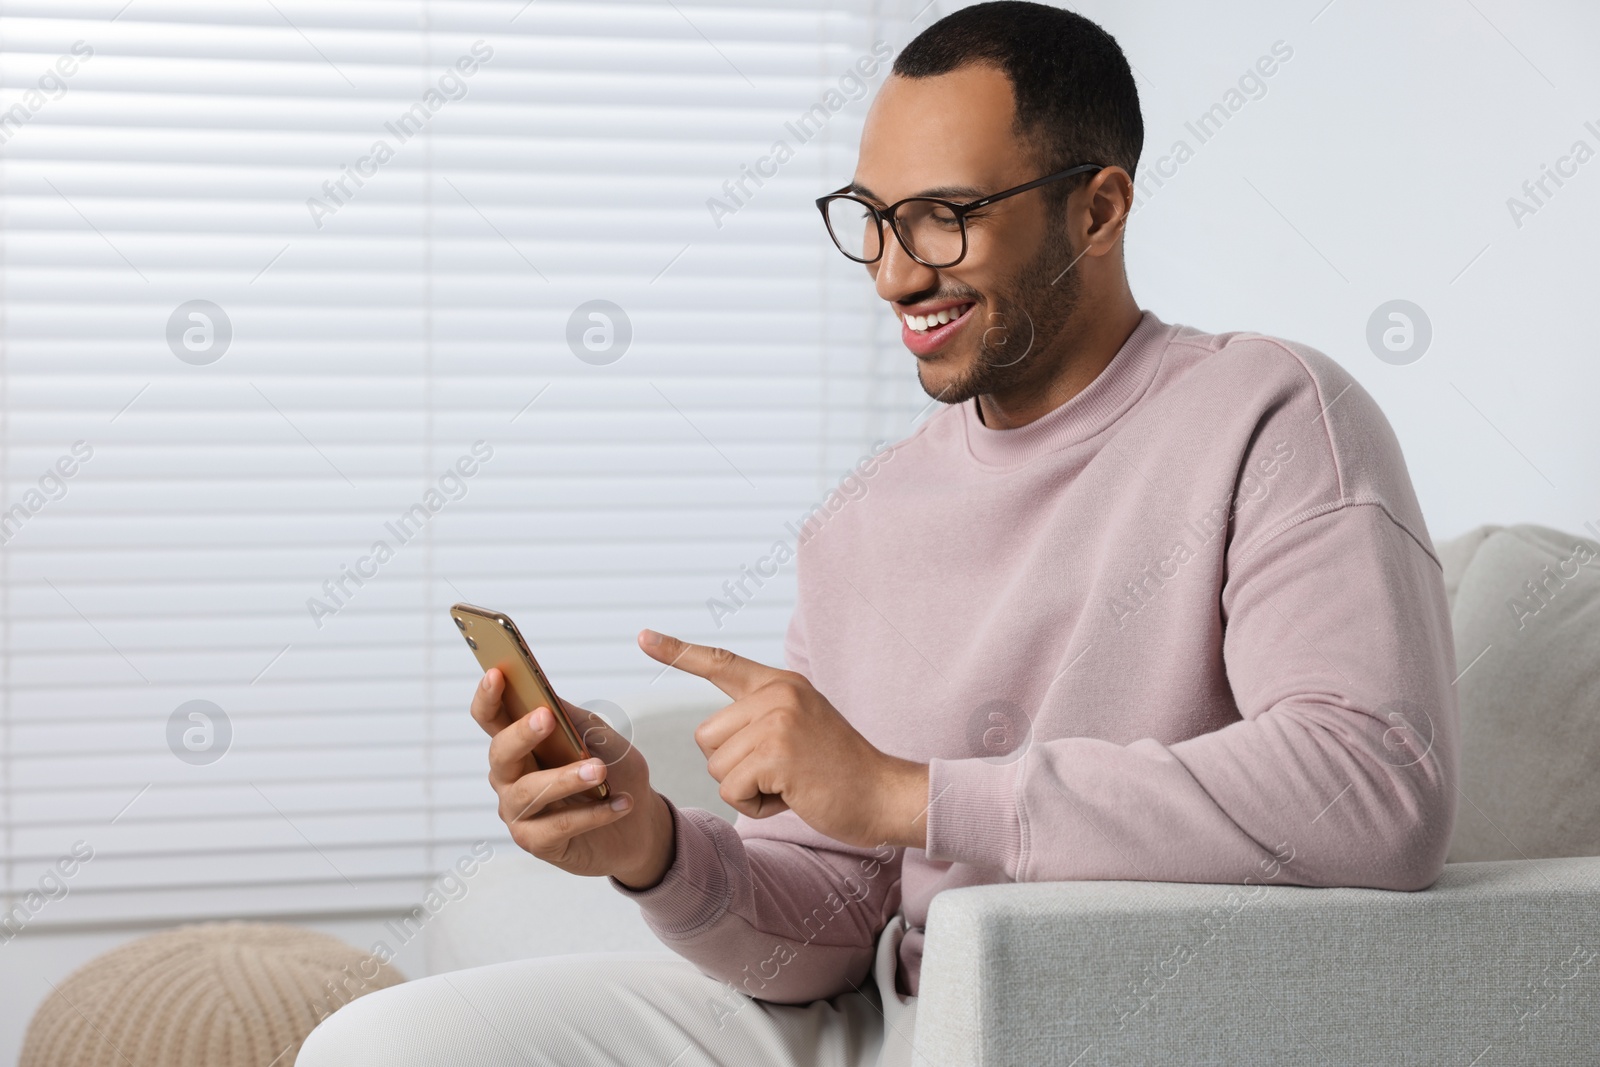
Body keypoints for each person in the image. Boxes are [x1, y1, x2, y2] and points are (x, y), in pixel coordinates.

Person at [300, 3, 1456, 1063]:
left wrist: (912, 794)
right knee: (381, 1043)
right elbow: (833, 927)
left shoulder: (1268, 411)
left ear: (1097, 209)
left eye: (946, 218)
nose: (898, 273)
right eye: (874, 219)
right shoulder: (862, 520)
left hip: (1104, 1017)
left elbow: (1373, 787)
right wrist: (649, 844)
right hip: (895, 1022)